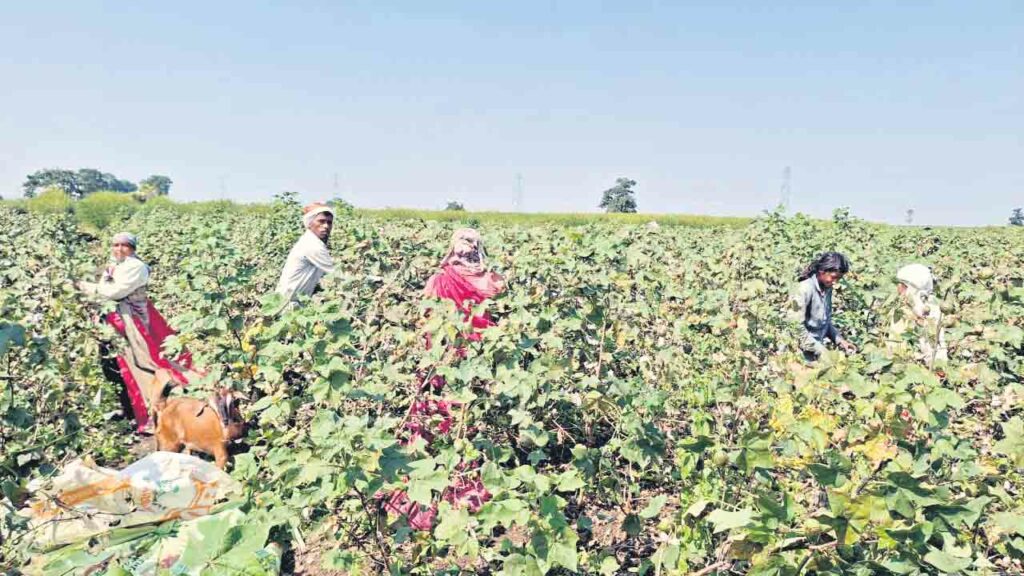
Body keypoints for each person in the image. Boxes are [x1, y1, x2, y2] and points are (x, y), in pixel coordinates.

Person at [78, 233, 200, 433]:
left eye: (124, 245)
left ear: (132, 248)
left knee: (142, 362)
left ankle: (159, 409)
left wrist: (84, 287)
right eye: (115, 245)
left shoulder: (136, 267)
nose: (119, 249)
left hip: (133, 321)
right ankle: (129, 409)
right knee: (114, 365)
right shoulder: (115, 265)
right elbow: (105, 289)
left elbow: (114, 292)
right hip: (114, 319)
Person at [423, 228, 505, 336]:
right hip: (484, 338)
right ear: (479, 248)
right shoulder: (493, 278)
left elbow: (426, 310)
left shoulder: (437, 279)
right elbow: (503, 305)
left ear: (452, 249)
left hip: (448, 336)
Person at [791, 251, 857, 361]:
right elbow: (796, 328)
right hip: (799, 354)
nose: (835, 282)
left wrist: (840, 341)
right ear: (822, 271)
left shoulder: (827, 289)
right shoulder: (804, 289)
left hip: (816, 350)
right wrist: (823, 352)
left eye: (839, 279)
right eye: (833, 277)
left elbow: (825, 323)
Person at [275, 202, 335, 304]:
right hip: (288, 305)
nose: (326, 226)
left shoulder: (311, 241)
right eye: (321, 221)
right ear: (310, 223)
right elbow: (337, 274)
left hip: (291, 302)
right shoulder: (312, 245)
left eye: (329, 222)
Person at [888, 263, 947, 366]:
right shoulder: (901, 308)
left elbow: (935, 350)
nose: (899, 289)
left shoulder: (929, 311)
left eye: (904, 286)